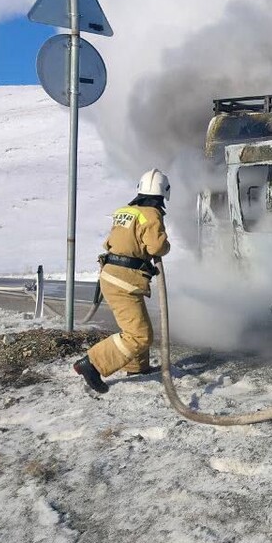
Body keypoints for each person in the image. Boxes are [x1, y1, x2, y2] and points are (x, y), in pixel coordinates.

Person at [74, 169, 172, 394]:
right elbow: (156, 247)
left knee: (136, 326)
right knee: (139, 335)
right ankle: (92, 363)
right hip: (125, 281)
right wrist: (165, 246)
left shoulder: (124, 211)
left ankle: (137, 368)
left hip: (113, 275)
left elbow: (109, 243)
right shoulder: (151, 214)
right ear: (163, 193)